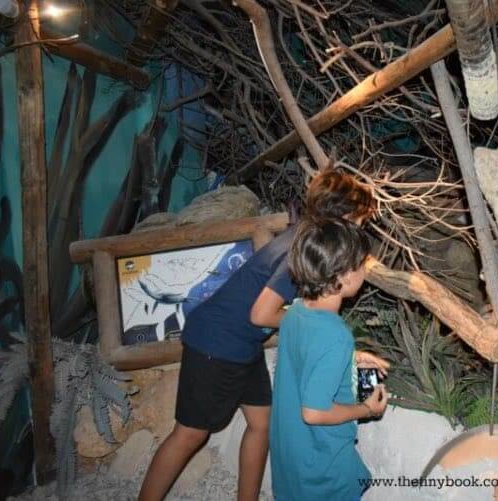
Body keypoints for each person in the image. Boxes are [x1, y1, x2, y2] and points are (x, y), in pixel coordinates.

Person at [138, 170, 379, 501]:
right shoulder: (301, 250)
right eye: (359, 221)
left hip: (242, 345)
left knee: (261, 424)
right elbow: (261, 313)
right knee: (191, 434)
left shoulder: (306, 238)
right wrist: (304, 320)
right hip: (218, 342)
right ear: (344, 216)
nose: (360, 229)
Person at [270, 218, 389, 501]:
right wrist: (366, 409)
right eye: (362, 264)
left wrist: (351, 360)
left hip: (291, 455)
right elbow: (314, 412)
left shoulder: (296, 312)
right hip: (321, 465)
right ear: (345, 275)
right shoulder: (336, 335)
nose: (364, 269)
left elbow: (305, 358)